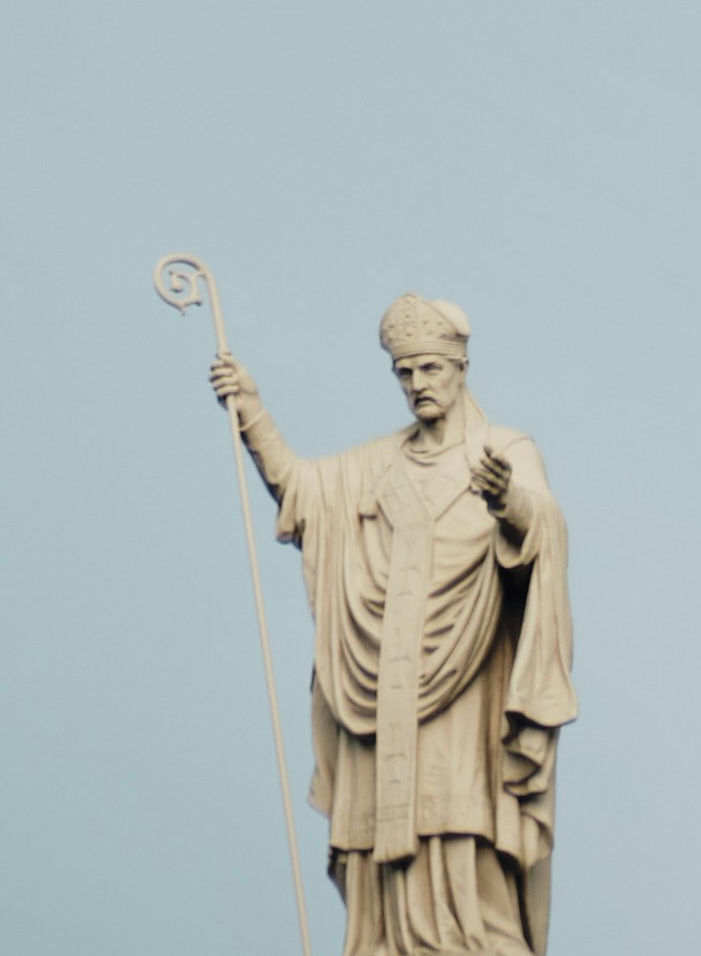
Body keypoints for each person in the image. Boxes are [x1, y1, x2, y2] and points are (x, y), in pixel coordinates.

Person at [213, 293, 576, 950]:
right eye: (405, 372)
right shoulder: (375, 464)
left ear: (461, 366)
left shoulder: (503, 447)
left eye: (431, 369)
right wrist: (252, 412)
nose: (418, 384)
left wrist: (507, 500)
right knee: (383, 856)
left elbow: (544, 524)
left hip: (465, 691)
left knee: (459, 830)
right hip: (378, 693)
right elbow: (299, 490)